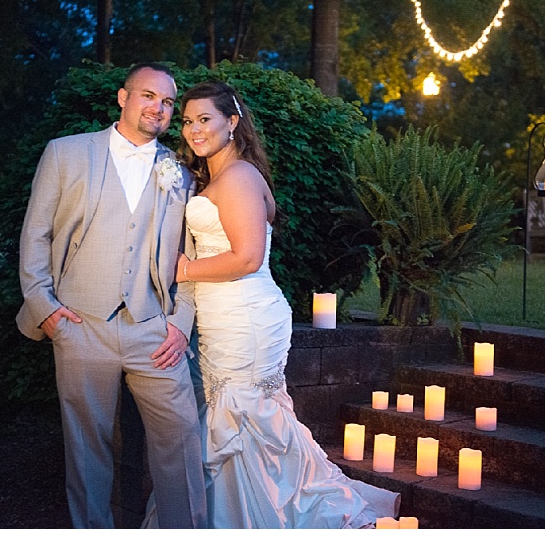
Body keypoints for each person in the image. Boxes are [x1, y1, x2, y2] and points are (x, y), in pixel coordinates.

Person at [170, 81, 399, 528]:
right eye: (187, 121)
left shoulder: (238, 177)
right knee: (240, 416)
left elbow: (247, 257)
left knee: (244, 416)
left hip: (245, 315)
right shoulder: (221, 175)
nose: (194, 130)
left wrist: (181, 270)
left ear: (232, 122)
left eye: (204, 119)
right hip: (226, 315)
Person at [16, 63, 206, 528]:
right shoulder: (66, 154)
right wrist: (46, 309)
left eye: (166, 103)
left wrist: (181, 325)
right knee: (86, 449)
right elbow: (35, 235)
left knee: (181, 441)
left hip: (154, 330)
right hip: (80, 325)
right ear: (123, 98)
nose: (158, 109)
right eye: (148, 96)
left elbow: (192, 254)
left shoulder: (180, 172)